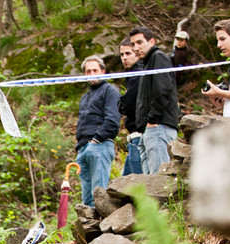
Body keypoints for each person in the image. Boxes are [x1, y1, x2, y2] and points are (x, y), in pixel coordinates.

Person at [129, 26, 181, 174]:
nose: (136, 47)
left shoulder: (158, 58)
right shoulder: (147, 63)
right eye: (133, 44)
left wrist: (153, 120)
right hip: (149, 129)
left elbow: (162, 91)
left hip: (159, 127)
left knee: (159, 182)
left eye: (140, 42)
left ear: (151, 41)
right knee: (150, 186)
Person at [74, 55, 120, 207]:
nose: (92, 74)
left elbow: (113, 120)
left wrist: (96, 140)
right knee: (87, 200)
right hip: (83, 149)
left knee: (99, 196)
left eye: (95, 70)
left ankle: (103, 229)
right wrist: (80, 146)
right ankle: (89, 229)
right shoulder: (85, 97)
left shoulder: (110, 91)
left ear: (103, 71)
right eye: (88, 71)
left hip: (99, 146)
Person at [202, 19, 230, 119]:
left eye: (222, 39)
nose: (218, 45)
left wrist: (218, 92)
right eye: (218, 40)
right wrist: (227, 100)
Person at [119, 38, 144, 176]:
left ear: (136, 53)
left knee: (138, 183)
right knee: (125, 185)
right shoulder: (132, 76)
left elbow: (128, 104)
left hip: (139, 134)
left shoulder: (138, 74)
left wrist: (121, 102)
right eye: (122, 55)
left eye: (128, 53)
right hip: (134, 136)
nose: (124, 58)